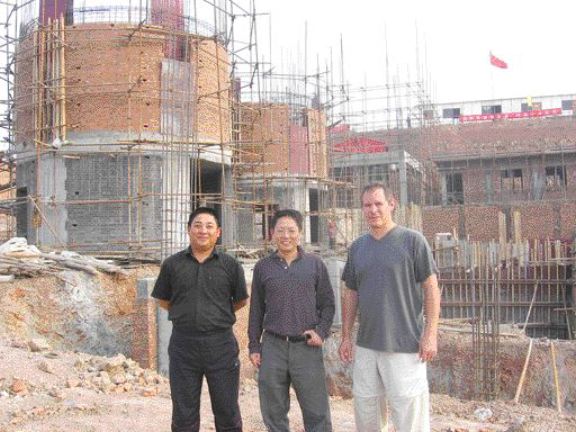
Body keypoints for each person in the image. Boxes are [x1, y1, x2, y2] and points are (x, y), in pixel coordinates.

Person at [339, 184, 440, 432]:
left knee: (409, 416)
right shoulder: (357, 248)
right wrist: (345, 336)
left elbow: (431, 287)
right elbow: (350, 292)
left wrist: (430, 334)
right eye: (367, 205)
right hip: (366, 345)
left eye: (378, 203)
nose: (373, 210)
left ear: (391, 203)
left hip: (405, 345)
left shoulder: (413, 241)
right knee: (367, 411)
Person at [151, 207, 248, 432]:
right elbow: (164, 300)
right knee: (184, 414)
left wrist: (214, 316)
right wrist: (188, 315)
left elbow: (240, 301)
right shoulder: (172, 264)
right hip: (184, 345)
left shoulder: (230, 265)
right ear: (188, 230)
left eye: (209, 226)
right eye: (197, 225)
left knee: (227, 411)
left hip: (221, 345)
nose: (203, 230)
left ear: (218, 232)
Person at [248, 209, 335, 432]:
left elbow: (328, 304)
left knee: (317, 412)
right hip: (273, 347)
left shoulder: (315, 264)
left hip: (305, 347)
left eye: (291, 230)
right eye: (280, 230)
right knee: (274, 412)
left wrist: (321, 332)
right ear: (272, 233)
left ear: (300, 233)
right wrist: (254, 346)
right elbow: (256, 310)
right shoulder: (263, 267)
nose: (286, 236)